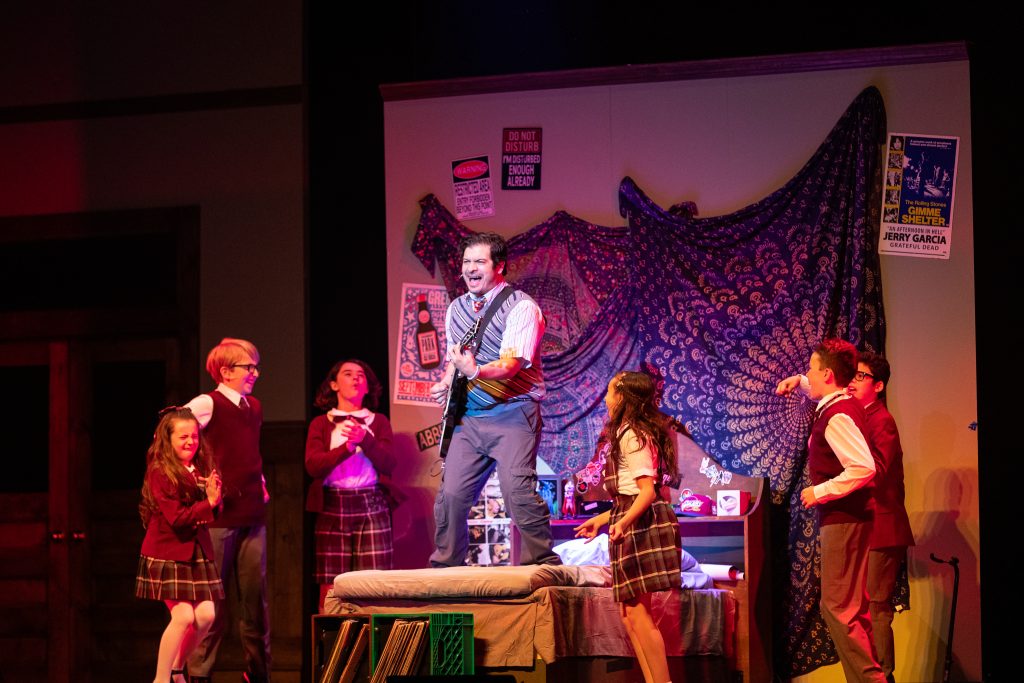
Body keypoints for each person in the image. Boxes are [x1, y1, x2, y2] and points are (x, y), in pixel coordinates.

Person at [428, 232, 559, 567]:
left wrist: (474, 372)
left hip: (513, 413)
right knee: (451, 496)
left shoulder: (522, 308)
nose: (471, 269)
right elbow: (456, 358)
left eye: (480, 262)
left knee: (517, 493)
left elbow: (512, 365)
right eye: (466, 262)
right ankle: (445, 569)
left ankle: (541, 567)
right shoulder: (456, 308)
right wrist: (446, 381)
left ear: (499, 265)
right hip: (470, 418)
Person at [776, 339, 885, 683]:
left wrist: (819, 491)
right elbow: (820, 388)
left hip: (845, 519)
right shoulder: (838, 402)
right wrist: (800, 380)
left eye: (811, 368)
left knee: (837, 609)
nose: (807, 373)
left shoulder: (837, 415)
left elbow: (862, 467)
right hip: (849, 518)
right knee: (850, 609)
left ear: (826, 373)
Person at [574, 371, 681, 683]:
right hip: (630, 516)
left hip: (643, 523)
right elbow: (627, 494)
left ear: (622, 397)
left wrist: (623, 522)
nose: (606, 399)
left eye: (609, 392)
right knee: (629, 613)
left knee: (637, 611)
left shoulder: (633, 434)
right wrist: (604, 519)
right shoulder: (624, 432)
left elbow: (647, 491)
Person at [184, 338, 272, 683]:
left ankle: (258, 674)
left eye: (255, 367)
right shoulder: (209, 403)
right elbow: (175, 433)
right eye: (247, 367)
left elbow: (247, 452)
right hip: (220, 519)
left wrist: (261, 479)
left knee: (255, 606)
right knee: (211, 607)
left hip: (252, 515)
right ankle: (198, 675)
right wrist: (196, 479)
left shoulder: (254, 407)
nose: (254, 373)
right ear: (225, 371)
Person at [136, 407, 224, 683]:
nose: (190, 442)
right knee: (184, 616)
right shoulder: (161, 472)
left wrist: (215, 500)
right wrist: (207, 503)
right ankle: (162, 679)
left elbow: (210, 514)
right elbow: (177, 518)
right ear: (168, 439)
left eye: (194, 436)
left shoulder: (197, 468)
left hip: (196, 550)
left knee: (207, 615)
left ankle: (176, 668)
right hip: (167, 553)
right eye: (183, 436)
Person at [304, 359, 395, 609]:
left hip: (371, 503)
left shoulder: (378, 422)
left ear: (368, 387)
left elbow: (389, 464)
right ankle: (332, 643)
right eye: (347, 374)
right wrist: (347, 448)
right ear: (334, 384)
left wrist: (365, 439)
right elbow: (313, 465)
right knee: (330, 583)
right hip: (332, 504)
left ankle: (377, 642)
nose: (356, 378)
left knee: (375, 583)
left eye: (361, 375)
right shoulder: (321, 423)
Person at [848, 352, 915, 683]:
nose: (853, 381)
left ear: (878, 385)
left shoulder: (881, 420)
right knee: (860, 607)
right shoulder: (858, 417)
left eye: (860, 376)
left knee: (877, 607)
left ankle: (883, 677)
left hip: (884, 528)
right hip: (867, 527)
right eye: (853, 375)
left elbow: (877, 471)